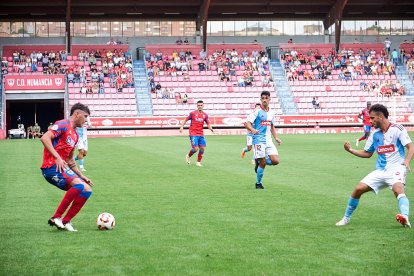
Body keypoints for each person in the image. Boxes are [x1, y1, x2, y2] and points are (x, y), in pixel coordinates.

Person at [336, 104, 414, 228]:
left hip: (396, 168)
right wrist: (350, 150)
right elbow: (367, 153)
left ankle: (405, 217)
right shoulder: (374, 134)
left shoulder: (397, 129)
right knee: (358, 189)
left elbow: (410, 147)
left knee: (398, 189)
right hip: (381, 170)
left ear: (380, 117)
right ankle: (346, 218)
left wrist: (407, 161)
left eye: (372, 118)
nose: (370, 121)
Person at [40, 102, 93, 232]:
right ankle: (56, 217)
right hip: (51, 166)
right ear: (77, 114)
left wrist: (82, 175)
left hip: (62, 167)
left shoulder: (75, 135)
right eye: (85, 116)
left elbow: (70, 159)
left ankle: (66, 221)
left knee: (86, 189)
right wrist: (57, 157)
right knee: (78, 186)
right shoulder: (63, 124)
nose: (86, 120)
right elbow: (44, 138)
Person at [245, 91, 282, 189]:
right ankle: (258, 183)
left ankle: (259, 162)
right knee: (263, 162)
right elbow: (247, 123)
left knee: (275, 161)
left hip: (268, 140)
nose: (264, 100)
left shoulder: (272, 113)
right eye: (262, 98)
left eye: (266, 98)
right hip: (258, 140)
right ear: (260, 99)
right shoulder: (257, 112)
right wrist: (252, 129)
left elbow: (272, 126)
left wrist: (276, 137)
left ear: (270, 99)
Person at [179, 100, 214, 167]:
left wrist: (211, 129)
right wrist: (181, 127)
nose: (200, 106)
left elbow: (208, 123)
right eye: (199, 105)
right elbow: (185, 119)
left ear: (203, 106)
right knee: (195, 148)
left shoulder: (205, 115)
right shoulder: (192, 113)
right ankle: (188, 156)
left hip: (200, 133)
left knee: (202, 148)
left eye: (201, 105)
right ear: (197, 106)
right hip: (193, 133)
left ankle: (198, 162)